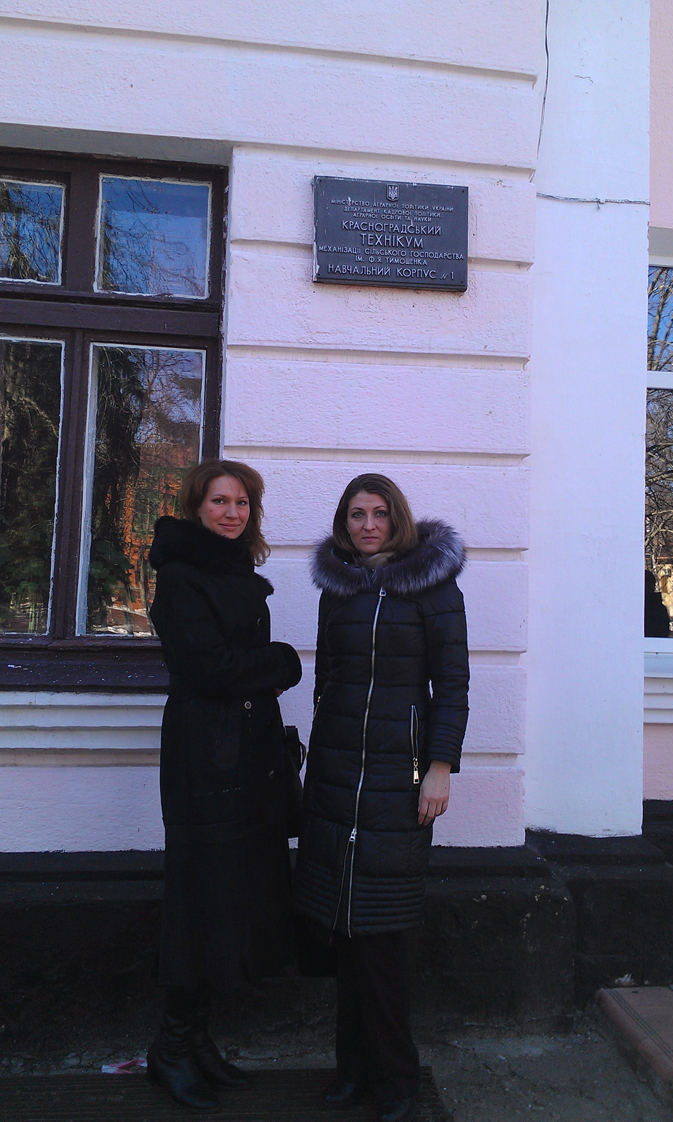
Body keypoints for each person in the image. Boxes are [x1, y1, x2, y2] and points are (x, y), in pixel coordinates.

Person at [294, 473, 469, 1122]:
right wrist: (317, 767)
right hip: (337, 778)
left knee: (383, 940)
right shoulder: (337, 589)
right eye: (355, 514)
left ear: (398, 518)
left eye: (378, 513)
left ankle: (397, 1080)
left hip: (399, 781)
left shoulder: (433, 587)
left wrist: (440, 766)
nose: (367, 525)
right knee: (343, 931)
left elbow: (453, 683)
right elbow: (328, 682)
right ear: (344, 523)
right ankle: (352, 1070)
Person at [146, 458, 302, 1111]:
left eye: (242, 503)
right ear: (196, 507)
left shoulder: (233, 572)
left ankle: (196, 1040)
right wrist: (282, 662)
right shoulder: (181, 576)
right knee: (197, 901)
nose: (232, 513)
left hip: (242, 758)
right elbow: (209, 668)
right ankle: (170, 1047)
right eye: (219, 501)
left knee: (227, 900)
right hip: (205, 761)